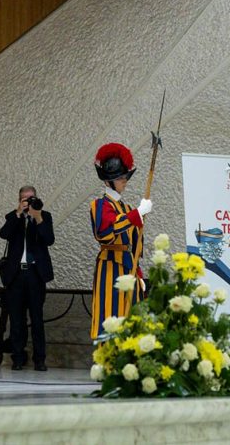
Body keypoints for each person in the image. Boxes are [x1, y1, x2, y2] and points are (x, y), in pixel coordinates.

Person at [90, 143, 152, 340]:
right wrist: (137, 214)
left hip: (129, 266)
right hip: (111, 266)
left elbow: (135, 240)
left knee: (132, 316)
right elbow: (105, 231)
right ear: (109, 181)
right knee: (110, 312)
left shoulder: (126, 207)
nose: (124, 181)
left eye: (125, 177)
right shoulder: (100, 205)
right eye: (120, 178)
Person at [0, 185, 55, 371]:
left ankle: (40, 359)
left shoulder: (44, 217)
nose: (28, 202)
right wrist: (18, 213)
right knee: (16, 319)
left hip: (35, 273)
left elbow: (49, 239)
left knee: (37, 318)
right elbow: (4, 234)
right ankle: (18, 357)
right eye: (25, 199)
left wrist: (36, 217)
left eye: (31, 199)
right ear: (19, 200)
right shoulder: (13, 217)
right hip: (16, 274)